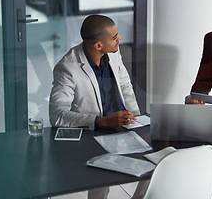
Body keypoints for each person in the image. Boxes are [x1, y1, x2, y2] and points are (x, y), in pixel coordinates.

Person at [49, 14, 148, 198]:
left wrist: (136, 118)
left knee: (152, 162)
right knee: (101, 180)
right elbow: (57, 115)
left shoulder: (113, 53)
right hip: (94, 131)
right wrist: (101, 121)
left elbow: (125, 85)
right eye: (114, 37)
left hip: (122, 125)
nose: (120, 39)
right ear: (98, 45)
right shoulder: (68, 67)